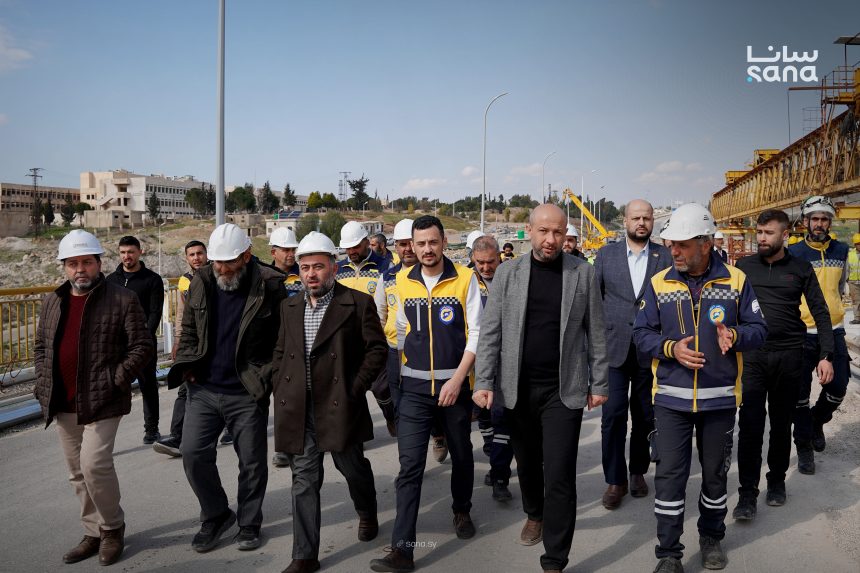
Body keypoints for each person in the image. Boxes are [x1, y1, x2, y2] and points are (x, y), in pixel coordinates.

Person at [473, 204, 609, 573]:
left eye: (558, 232)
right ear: (529, 231)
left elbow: (596, 332)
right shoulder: (508, 273)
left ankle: (554, 559)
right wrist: (484, 380)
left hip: (563, 390)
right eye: (544, 231)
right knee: (529, 464)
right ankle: (535, 513)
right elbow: (491, 332)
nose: (551, 239)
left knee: (560, 474)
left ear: (566, 235)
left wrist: (599, 382)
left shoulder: (582, 273)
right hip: (518, 389)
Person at [633, 203, 767, 573]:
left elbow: (759, 329)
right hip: (670, 401)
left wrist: (735, 336)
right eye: (671, 243)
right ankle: (669, 554)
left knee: (714, 476)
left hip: (719, 401)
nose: (673, 251)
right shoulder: (659, 283)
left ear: (705, 244)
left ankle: (711, 539)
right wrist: (670, 349)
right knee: (669, 479)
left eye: (682, 244)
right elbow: (640, 333)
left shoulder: (736, 281)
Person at [34, 230, 154, 566]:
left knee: (94, 465)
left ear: (99, 263)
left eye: (86, 261)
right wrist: (42, 380)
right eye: (73, 263)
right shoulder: (53, 301)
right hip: (63, 400)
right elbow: (42, 346)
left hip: (103, 399)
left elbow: (142, 345)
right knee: (76, 472)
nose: (80, 269)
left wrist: (116, 378)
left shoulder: (121, 299)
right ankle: (92, 531)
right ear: (64, 267)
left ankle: (112, 527)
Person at [370, 216, 483, 573]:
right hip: (414, 391)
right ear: (412, 246)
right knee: (409, 467)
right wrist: (400, 376)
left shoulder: (464, 278)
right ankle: (402, 550)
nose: (427, 249)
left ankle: (461, 509)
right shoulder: (402, 280)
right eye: (420, 243)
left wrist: (459, 380)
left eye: (433, 242)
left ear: (444, 242)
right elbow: (401, 331)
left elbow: (477, 333)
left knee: (462, 455)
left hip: (454, 389)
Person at [167, 223, 287, 553]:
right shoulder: (202, 280)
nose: (221, 269)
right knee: (193, 453)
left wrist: (265, 377)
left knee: (251, 462)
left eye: (229, 262)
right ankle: (217, 514)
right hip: (204, 389)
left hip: (247, 391)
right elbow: (189, 328)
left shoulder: (270, 284)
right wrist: (188, 364)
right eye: (217, 262)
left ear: (246, 256)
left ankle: (249, 523)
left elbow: (282, 339)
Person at [273, 232, 388, 573]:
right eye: (305, 267)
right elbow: (281, 351)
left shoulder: (356, 303)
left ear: (333, 268)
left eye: (318, 267)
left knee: (352, 468)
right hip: (300, 408)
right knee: (304, 481)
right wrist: (280, 383)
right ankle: (304, 555)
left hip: (339, 405)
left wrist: (355, 387)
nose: (311, 274)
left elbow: (376, 350)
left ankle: (366, 511)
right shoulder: (289, 307)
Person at [732, 209, 833, 522]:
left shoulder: (800, 268)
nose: (761, 238)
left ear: (785, 235)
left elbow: (820, 311)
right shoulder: (743, 267)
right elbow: (727, 308)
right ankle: (747, 494)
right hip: (753, 356)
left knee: (780, 424)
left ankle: (776, 482)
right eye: (759, 232)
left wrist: (826, 355)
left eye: (768, 233)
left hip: (790, 356)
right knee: (750, 425)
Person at [594, 199, 671, 510]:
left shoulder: (665, 256)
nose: (641, 223)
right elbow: (594, 303)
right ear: (624, 221)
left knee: (644, 415)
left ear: (653, 222)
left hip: (649, 350)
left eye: (647, 218)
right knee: (612, 416)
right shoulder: (606, 255)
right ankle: (615, 480)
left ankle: (637, 472)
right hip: (612, 349)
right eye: (636, 218)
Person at [374, 219, 451, 462]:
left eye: (410, 243)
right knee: (401, 404)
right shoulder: (387, 277)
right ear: (395, 247)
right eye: (401, 244)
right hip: (395, 351)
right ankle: (408, 458)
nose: (407, 249)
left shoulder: (435, 274)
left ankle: (438, 433)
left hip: (428, 350)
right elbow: (379, 314)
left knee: (433, 400)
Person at [788, 195, 851, 474]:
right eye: (815, 218)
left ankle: (816, 421)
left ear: (830, 222)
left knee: (838, 387)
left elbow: (841, 286)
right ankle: (804, 447)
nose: (820, 224)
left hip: (833, 330)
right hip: (801, 332)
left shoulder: (842, 250)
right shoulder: (793, 253)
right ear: (805, 221)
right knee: (799, 395)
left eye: (825, 219)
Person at [155, 240, 232, 457]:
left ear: (207, 254)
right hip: (193, 343)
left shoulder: (219, 276)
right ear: (186, 258)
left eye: (200, 253)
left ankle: (232, 427)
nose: (196, 258)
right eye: (192, 254)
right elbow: (182, 314)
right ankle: (176, 436)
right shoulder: (185, 281)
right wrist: (178, 340)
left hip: (219, 343)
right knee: (185, 388)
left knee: (225, 385)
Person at [336, 220, 397, 436]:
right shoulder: (339, 270)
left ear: (366, 242)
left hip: (374, 339)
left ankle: (391, 416)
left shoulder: (384, 266)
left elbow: (389, 304)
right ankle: (357, 434)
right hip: (346, 341)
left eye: (356, 246)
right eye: (348, 248)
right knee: (351, 389)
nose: (351, 251)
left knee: (381, 387)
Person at [105, 235, 164, 444]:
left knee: (148, 386)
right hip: (117, 346)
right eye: (123, 252)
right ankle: (105, 435)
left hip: (143, 345)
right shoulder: (110, 281)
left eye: (130, 252)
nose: (126, 256)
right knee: (112, 388)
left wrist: (143, 340)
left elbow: (155, 312)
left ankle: (152, 429)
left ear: (140, 252)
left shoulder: (152, 280)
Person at [471, 234, 515, 502]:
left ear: (499, 256)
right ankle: (493, 453)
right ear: (472, 260)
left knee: (502, 421)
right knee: (484, 418)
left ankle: (500, 476)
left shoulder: (511, 278)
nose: (486, 267)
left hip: (505, 362)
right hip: (475, 362)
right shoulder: (466, 282)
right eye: (480, 263)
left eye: (490, 262)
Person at [270, 227, 303, 296]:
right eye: (286, 250)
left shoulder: (303, 276)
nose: (292, 254)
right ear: (273, 253)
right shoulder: (266, 276)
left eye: (293, 250)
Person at [847, 232, 860, 324]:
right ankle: (857, 318)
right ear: (855, 245)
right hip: (853, 282)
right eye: (858, 244)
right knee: (856, 301)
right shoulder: (850, 254)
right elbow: (847, 268)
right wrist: (847, 279)